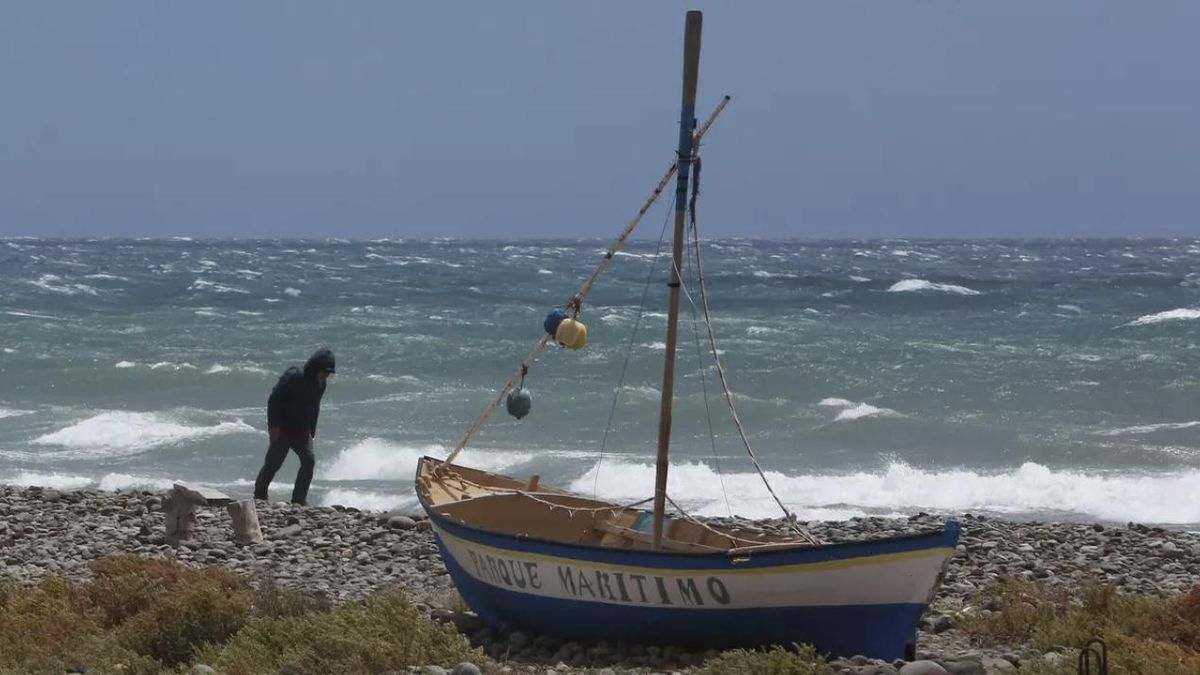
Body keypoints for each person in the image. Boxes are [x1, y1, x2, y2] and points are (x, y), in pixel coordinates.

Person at [253, 347, 335, 505]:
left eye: (329, 373)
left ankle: (298, 499)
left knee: (308, 461)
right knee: (273, 464)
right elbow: (274, 399)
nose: (326, 375)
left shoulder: (321, 384)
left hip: (302, 431)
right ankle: (259, 494)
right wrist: (273, 426)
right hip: (283, 429)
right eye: (324, 371)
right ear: (315, 368)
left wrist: (312, 428)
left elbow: (315, 405)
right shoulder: (294, 376)